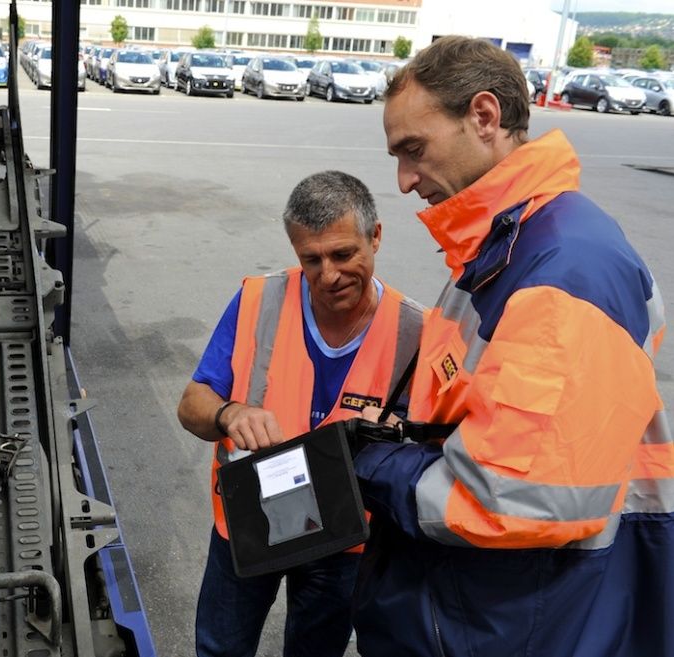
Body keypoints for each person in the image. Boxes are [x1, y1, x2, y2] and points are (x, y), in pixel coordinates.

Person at [349, 35, 672, 657]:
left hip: (518, 620)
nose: (405, 179)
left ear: (485, 117)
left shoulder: (562, 267)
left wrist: (372, 463)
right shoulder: (507, 245)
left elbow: (510, 499)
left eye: (413, 150)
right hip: (484, 606)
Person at [176, 171, 424, 657]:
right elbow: (192, 403)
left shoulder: (415, 332)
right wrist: (229, 414)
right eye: (311, 259)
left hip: (343, 542)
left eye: (343, 254)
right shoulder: (258, 299)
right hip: (248, 525)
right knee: (220, 648)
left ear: (375, 237)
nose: (328, 274)